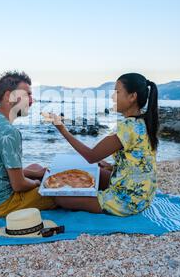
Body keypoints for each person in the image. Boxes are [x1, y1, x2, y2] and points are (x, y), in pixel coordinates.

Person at [46, 73, 159, 216]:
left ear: (132, 97)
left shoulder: (127, 127)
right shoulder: (143, 122)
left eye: (117, 92)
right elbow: (139, 161)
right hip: (144, 195)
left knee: (60, 198)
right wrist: (111, 166)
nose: (113, 97)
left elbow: (91, 156)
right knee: (91, 174)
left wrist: (62, 129)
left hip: (128, 200)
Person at [0, 71, 56, 218]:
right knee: (58, 192)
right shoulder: (9, 132)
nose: (31, 101)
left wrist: (36, 174)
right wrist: (36, 182)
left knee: (36, 167)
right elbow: (19, 185)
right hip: (1, 205)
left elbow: (2, 169)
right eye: (27, 95)